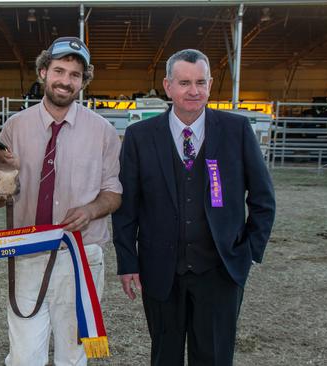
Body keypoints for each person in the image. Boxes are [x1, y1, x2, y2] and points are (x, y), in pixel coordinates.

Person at [112, 49, 276, 366]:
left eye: (201, 82)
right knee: (165, 356)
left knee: (213, 357)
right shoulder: (139, 137)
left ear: (211, 84)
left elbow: (263, 198)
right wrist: (127, 261)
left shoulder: (236, 131)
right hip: (160, 271)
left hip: (220, 271)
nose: (194, 91)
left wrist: (247, 251)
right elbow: (127, 206)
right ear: (168, 85)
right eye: (185, 82)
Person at [0, 36, 122, 366]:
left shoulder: (104, 132)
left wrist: (90, 210)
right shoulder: (13, 128)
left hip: (81, 257)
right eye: (59, 70)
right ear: (43, 72)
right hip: (27, 253)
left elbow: (114, 193)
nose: (66, 81)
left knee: (74, 355)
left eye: (75, 75)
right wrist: (2, 178)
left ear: (83, 81)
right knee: (25, 357)